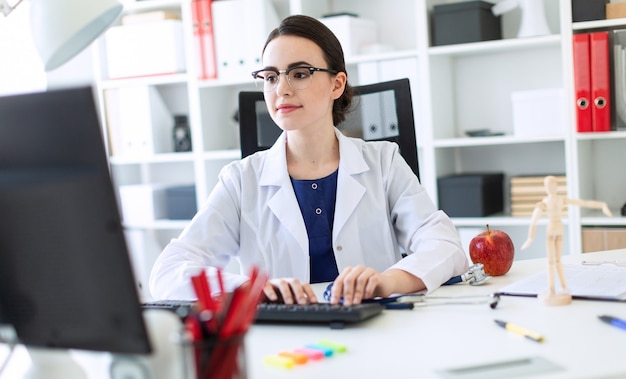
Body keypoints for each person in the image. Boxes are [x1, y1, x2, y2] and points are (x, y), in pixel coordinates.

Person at [149, 14, 468, 306]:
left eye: (299, 74)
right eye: (271, 77)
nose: (281, 89)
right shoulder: (240, 180)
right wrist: (253, 288)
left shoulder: (383, 162)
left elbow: (445, 245)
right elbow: (168, 271)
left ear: (337, 84)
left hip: (377, 327)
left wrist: (385, 282)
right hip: (283, 346)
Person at [521, 175, 612, 305]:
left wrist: (530, 238)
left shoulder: (551, 201)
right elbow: (534, 220)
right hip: (557, 227)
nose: (549, 188)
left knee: (553, 261)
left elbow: (534, 219)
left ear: (553, 186)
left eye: (550, 185)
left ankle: (556, 289)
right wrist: (602, 205)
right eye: (547, 185)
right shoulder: (553, 201)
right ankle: (558, 288)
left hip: (555, 227)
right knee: (554, 261)